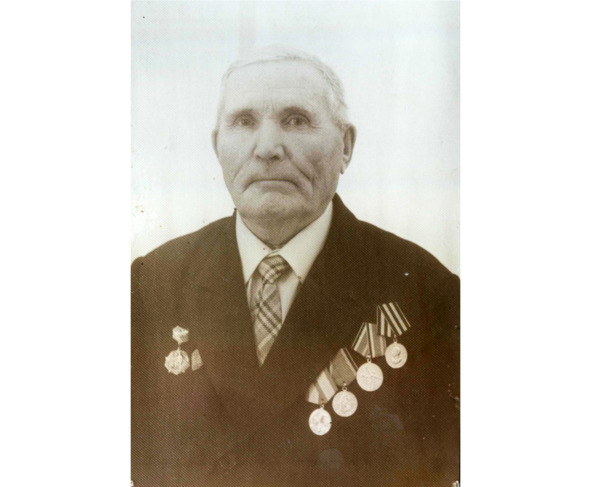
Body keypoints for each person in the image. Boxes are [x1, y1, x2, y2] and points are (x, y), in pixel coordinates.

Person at [131, 46, 460, 487]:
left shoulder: (428, 294)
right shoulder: (152, 285)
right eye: (244, 121)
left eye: (296, 120)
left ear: (345, 147)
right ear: (217, 147)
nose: (267, 148)